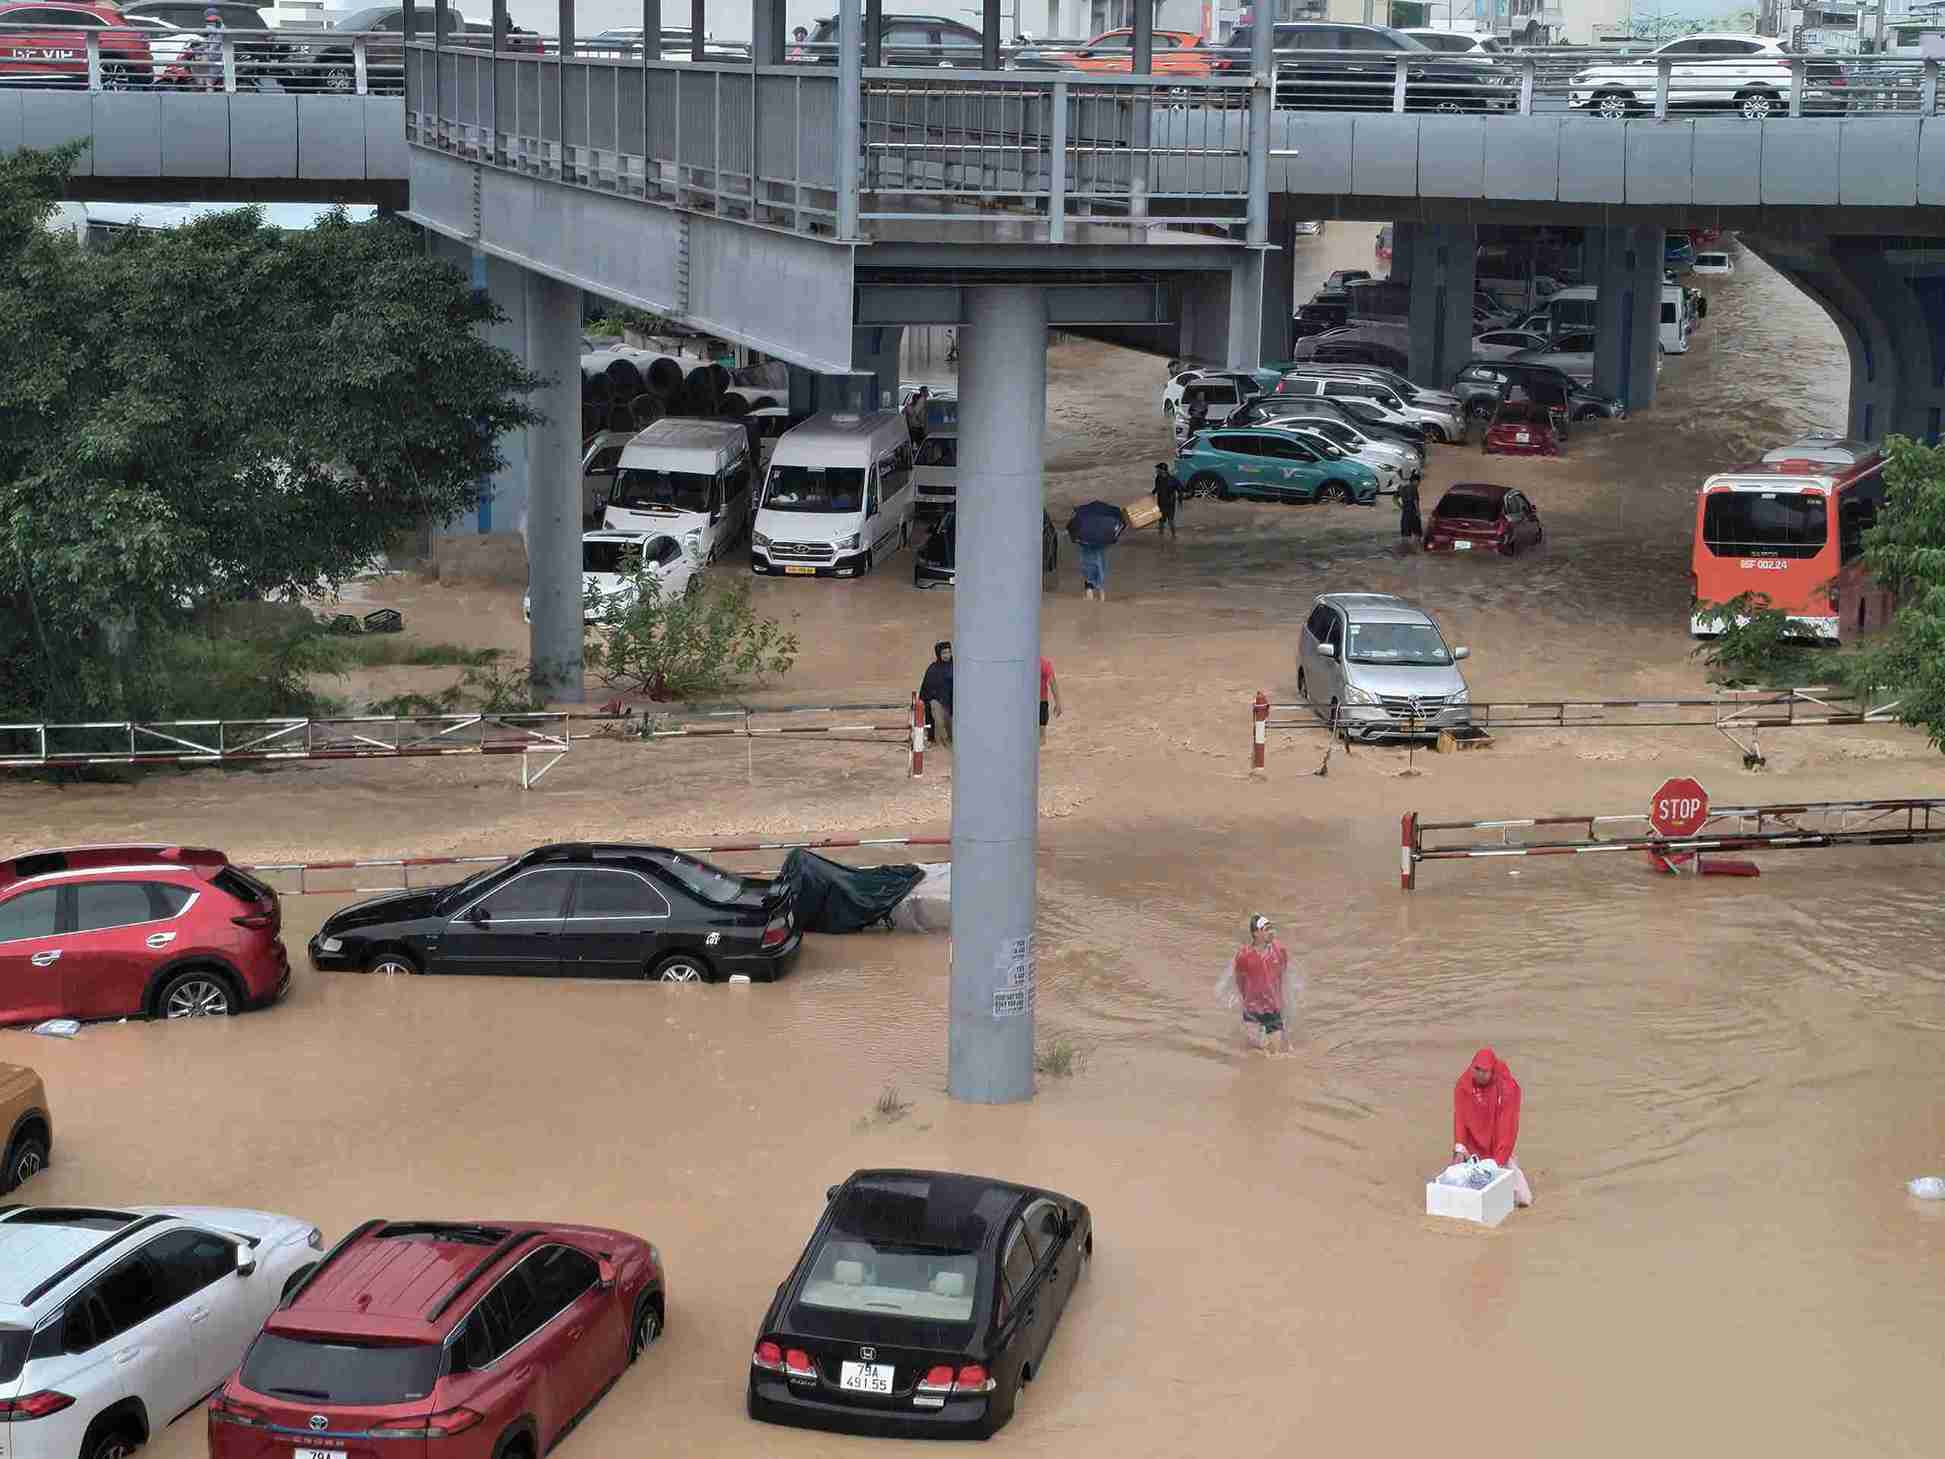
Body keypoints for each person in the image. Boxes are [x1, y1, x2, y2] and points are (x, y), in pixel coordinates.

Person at [1452, 1047, 1534, 1207]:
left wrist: (1499, 1160)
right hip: (1473, 1143)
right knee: (1465, 1189)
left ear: (1492, 1070)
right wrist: (1460, 1148)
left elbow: (1508, 1125)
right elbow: (1460, 1117)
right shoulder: (1464, 1084)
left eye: (1484, 1071)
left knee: (1523, 1199)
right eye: (1476, 1069)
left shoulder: (1507, 1087)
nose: (1479, 1074)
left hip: (1498, 1141)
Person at [1231, 915, 1291, 1054]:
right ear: (1256, 933)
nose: (1272, 932)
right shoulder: (1243, 956)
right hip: (1252, 1010)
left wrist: (1281, 1001)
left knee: (1276, 1054)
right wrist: (1247, 1000)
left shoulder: (1279, 950)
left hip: (1273, 1008)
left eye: (1272, 928)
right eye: (1267, 929)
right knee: (1254, 1053)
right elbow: (1239, 981)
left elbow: (1283, 974)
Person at [918, 640, 953, 747]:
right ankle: (937, 740)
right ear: (938, 654)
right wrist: (922, 703)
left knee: (951, 727)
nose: (947, 655)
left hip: (952, 702)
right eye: (944, 653)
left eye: (949, 652)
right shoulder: (933, 669)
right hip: (936, 701)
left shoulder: (956, 666)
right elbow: (925, 688)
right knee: (939, 721)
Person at [1038, 655, 1063, 746]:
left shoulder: (1024, 662)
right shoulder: (1044, 663)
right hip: (1041, 703)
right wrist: (1058, 702)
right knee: (1041, 737)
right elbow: (1052, 682)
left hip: (1032, 703)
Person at [1152, 462, 1180, 540]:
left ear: (1162, 470)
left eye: (1157, 469)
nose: (1156, 471)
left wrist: (1181, 498)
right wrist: (1152, 493)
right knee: (1161, 521)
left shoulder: (1173, 479)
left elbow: (1180, 489)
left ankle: (1174, 536)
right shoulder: (1158, 478)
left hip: (1170, 504)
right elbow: (1157, 488)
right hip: (1161, 502)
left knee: (1170, 521)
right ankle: (1161, 536)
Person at [1398, 473, 1423, 543]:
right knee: (1418, 534)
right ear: (1415, 481)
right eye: (1419, 482)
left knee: (1405, 536)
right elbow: (1415, 501)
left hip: (1405, 515)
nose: (1419, 484)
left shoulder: (1402, 488)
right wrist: (1418, 512)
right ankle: (1417, 547)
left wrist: (1401, 506)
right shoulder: (1414, 488)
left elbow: (1394, 499)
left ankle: (1407, 548)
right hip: (1413, 513)